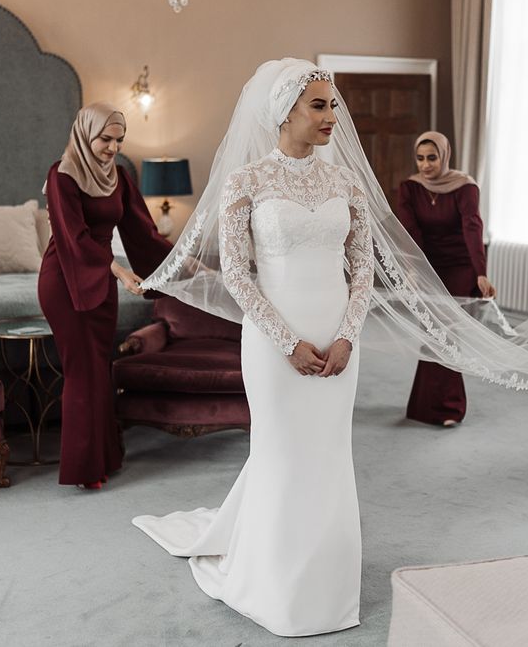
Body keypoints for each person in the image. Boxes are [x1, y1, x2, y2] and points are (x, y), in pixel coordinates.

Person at [133, 61, 374, 637]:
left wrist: (348, 334)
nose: (330, 118)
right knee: (284, 452)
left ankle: (329, 578)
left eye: (333, 106)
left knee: (329, 452)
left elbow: (363, 266)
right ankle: (274, 580)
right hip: (273, 341)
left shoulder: (346, 182)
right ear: (285, 110)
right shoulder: (248, 181)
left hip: (340, 335)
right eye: (318, 106)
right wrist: (288, 341)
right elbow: (238, 275)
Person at [38, 102, 171, 488]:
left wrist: (185, 262)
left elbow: (142, 230)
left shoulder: (119, 175)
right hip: (65, 278)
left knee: (100, 368)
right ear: (84, 134)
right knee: (82, 371)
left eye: (119, 140)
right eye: (105, 139)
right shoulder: (62, 176)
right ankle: (84, 469)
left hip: (101, 277)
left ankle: (104, 456)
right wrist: (119, 270)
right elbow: (74, 239)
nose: (113, 147)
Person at [397, 132, 496, 427]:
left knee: (449, 333)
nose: (426, 165)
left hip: (460, 266)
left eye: (432, 158)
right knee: (430, 331)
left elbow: (472, 227)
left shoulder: (464, 187)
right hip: (428, 264)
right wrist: (416, 270)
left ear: (444, 156)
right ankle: (424, 406)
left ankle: (450, 407)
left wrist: (480, 271)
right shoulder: (409, 188)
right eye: (420, 158)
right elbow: (410, 232)